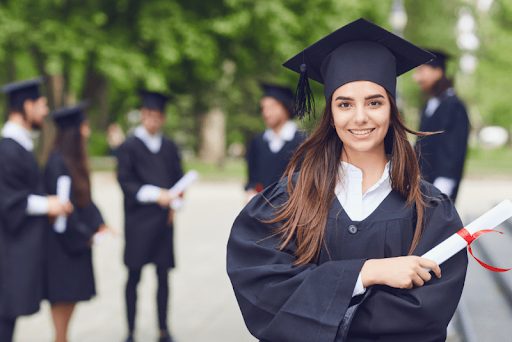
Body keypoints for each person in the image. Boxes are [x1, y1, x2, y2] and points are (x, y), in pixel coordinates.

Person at [227, 18, 468, 342]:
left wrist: (321, 305)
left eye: (374, 102)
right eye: (344, 104)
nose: (359, 117)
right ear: (331, 112)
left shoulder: (430, 209)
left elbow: (425, 315)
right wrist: (367, 272)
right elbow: (263, 290)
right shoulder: (287, 199)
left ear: (391, 109)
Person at [0, 78, 72, 342]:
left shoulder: (20, 146)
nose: (44, 111)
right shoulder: (7, 149)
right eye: (40, 105)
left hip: (15, 248)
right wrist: (47, 204)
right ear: (26, 106)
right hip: (7, 250)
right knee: (4, 317)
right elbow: (7, 200)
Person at [116, 90, 184, 342]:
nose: (152, 120)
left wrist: (175, 202)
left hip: (163, 223)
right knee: (133, 276)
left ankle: (163, 329)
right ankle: (131, 330)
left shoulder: (169, 147)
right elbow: (125, 182)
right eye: (148, 115)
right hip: (138, 221)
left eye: (157, 116)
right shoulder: (130, 146)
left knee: (163, 276)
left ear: (162, 118)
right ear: (142, 116)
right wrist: (157, 195)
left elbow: (179, 180)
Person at [44, 103, 108, 342]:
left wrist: (100, 222)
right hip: (62, 249)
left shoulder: (73, 162)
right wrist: (86, 236)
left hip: (74, 245)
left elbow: (84, 201)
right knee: (61, 311)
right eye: (84, 127)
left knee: (69, 308)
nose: (88, 132)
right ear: (74, 132)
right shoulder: (57, 163)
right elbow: (64, 210)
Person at [413, 49, 470, 202]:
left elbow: (454, 147)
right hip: (423, 182)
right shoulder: (429, 104)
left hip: (440, 184)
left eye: (421, 71)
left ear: (437, 72)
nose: (416, 77)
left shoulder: (454, 106)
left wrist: (445, 181)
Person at [245, 83, 306, 200]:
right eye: (263, 108)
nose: (266, 113)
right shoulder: (258, 142)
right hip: (261, 207)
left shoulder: (303, 141)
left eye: (272, 107)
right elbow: (252, 179)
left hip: (292, 207)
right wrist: (251, 192)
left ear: (286, 107)